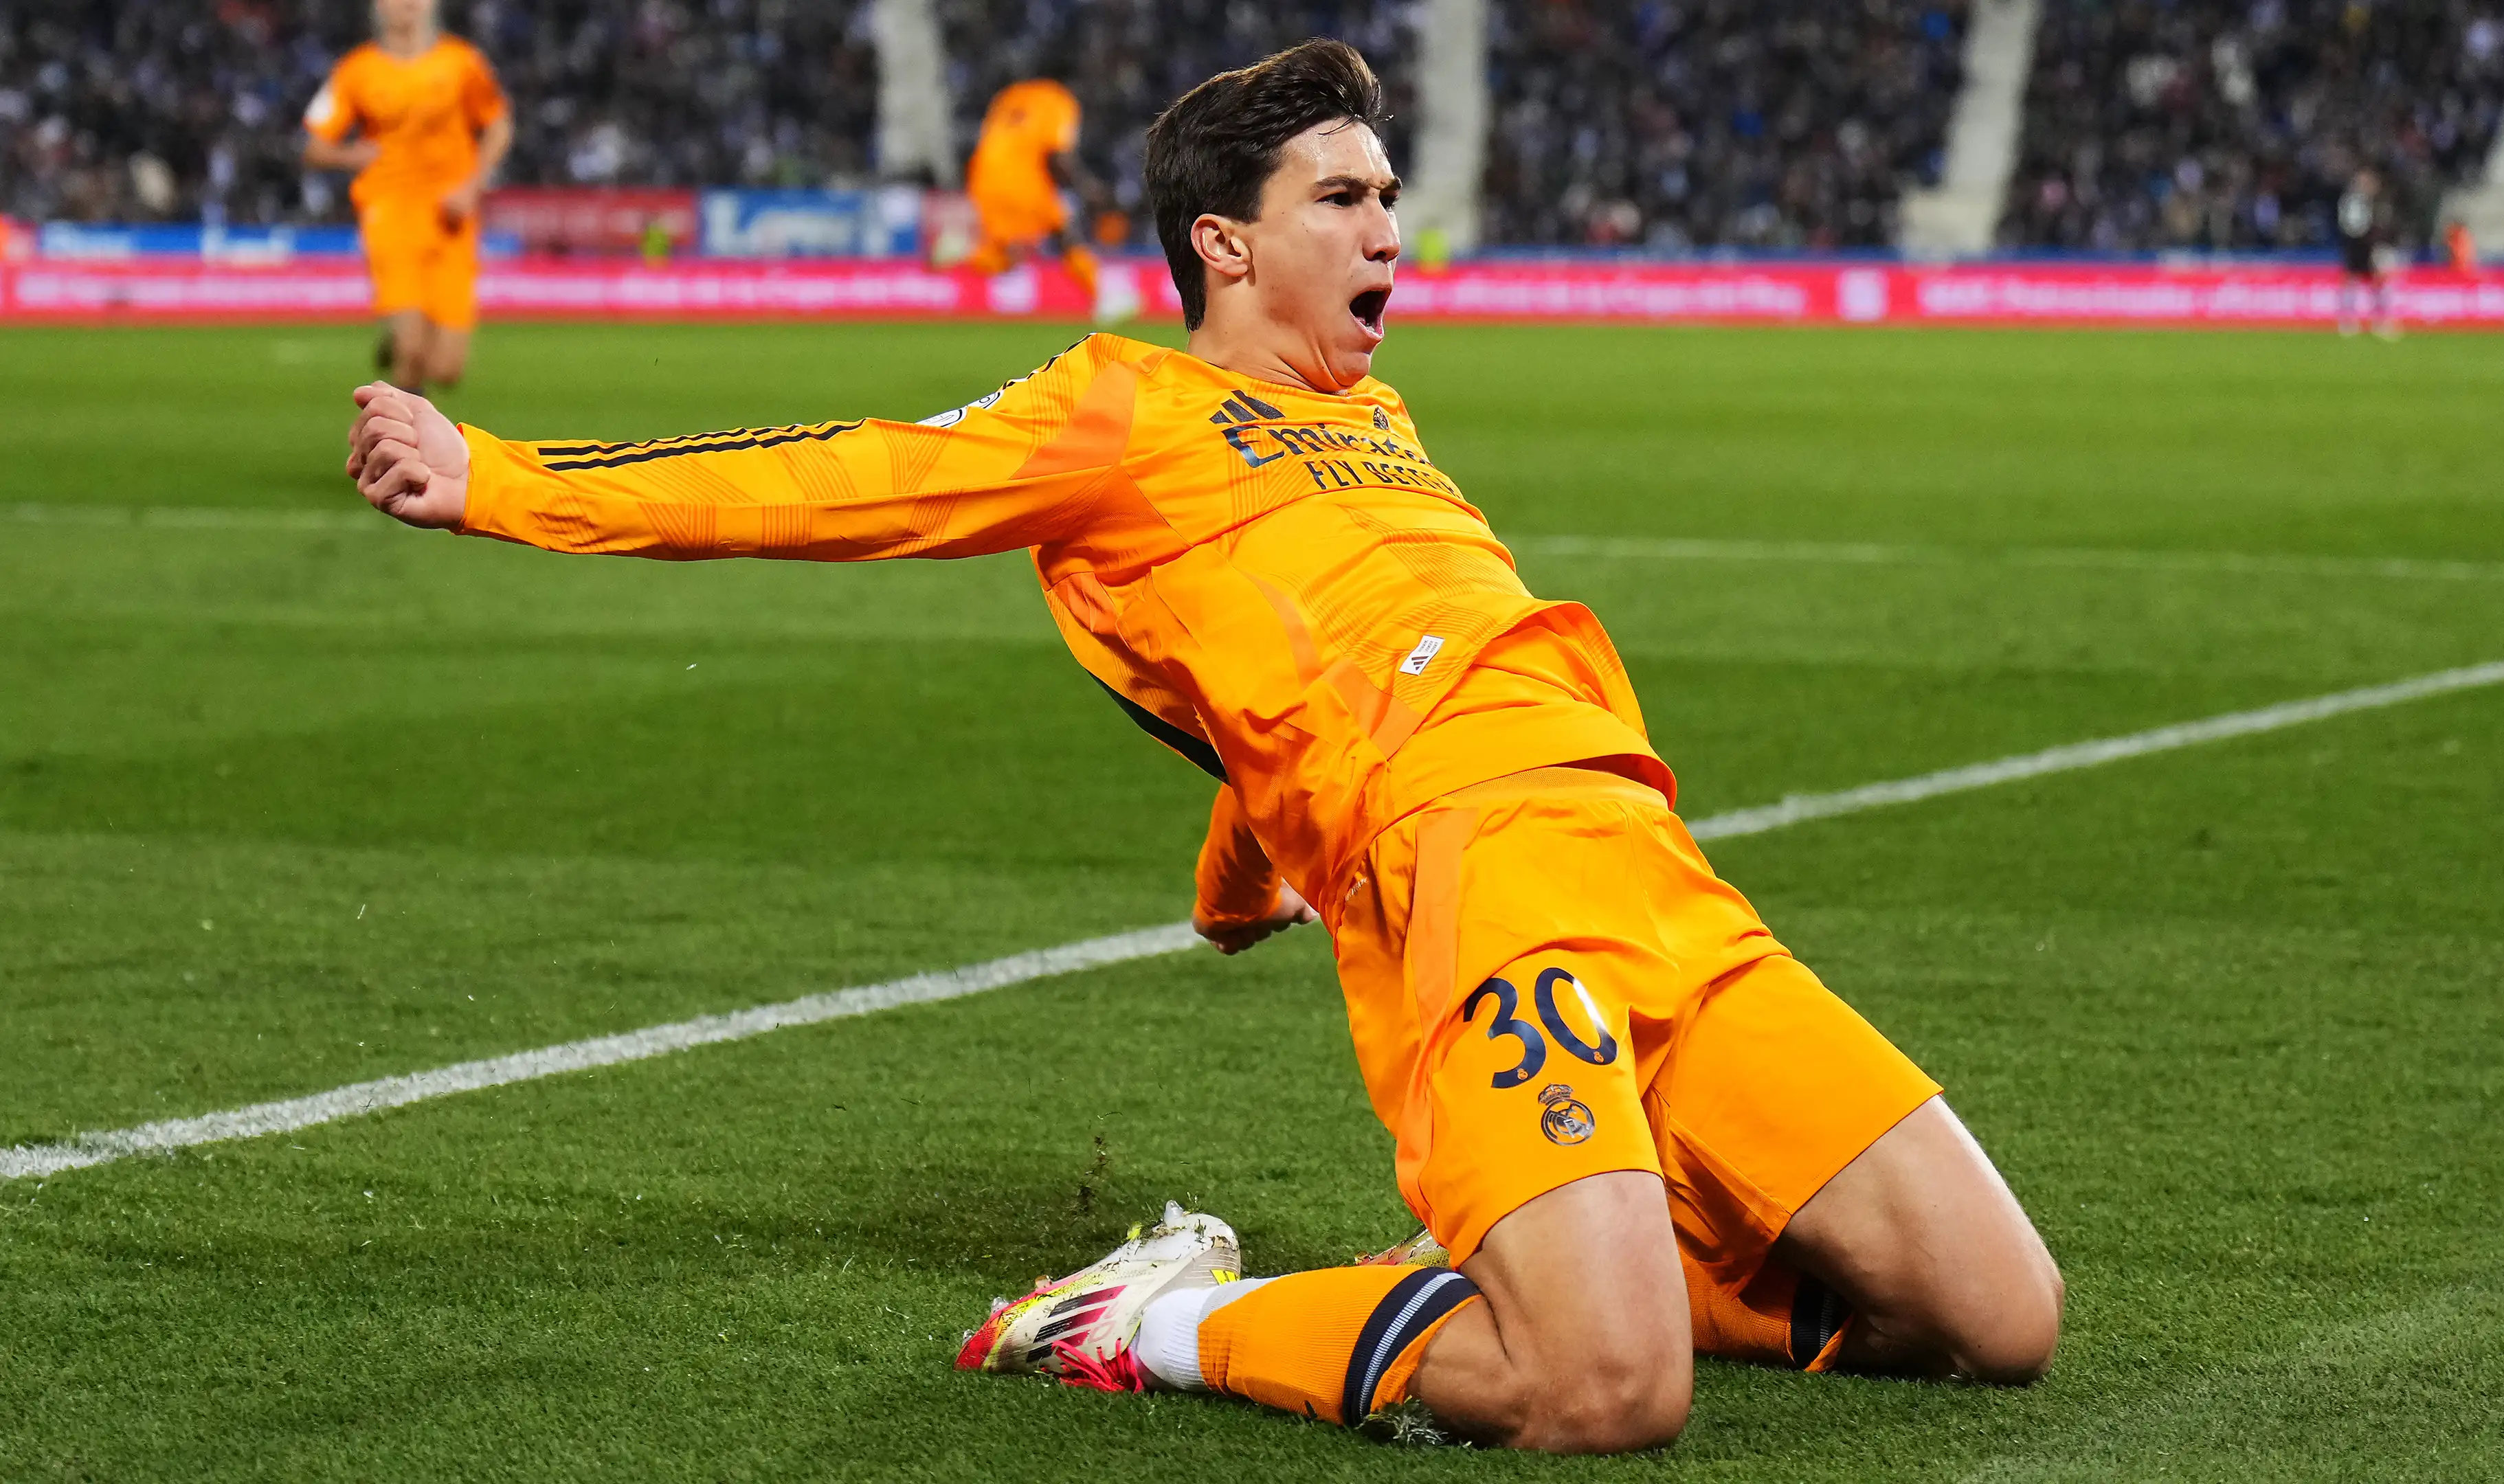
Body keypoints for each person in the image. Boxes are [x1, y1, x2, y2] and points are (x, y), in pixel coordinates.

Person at [339, 41, 2061, 1454]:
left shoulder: (1370, 413)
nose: (1388, 223)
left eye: (1389, 193)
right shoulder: (1117, 410)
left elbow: (1282, 672)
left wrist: (1242, 866)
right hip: (1478, 880)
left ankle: (1521, 1241)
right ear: (1225, 245)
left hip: (1656, 871)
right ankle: (1155, 1317)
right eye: (1343, 197)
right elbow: (838, 469)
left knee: (1993, 1316)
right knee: (1601, 1393)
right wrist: (504, 480)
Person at [302, 0, 511, 394]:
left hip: (451, 217)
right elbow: (314, 148)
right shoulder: (356, 70)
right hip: (389, 212)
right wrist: (351, 155)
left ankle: (396, 335)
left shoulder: (461, 63)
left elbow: (498, 126)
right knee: (412, 354)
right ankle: (399, 449)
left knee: (447, 370)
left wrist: (472, 186)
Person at [959, 74, 1108, 310]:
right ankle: (1102, 299)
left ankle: (961, 256)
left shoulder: (1010, 95)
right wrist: (1086, 186)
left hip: (983, 175)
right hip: (1022, 177)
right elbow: (1058, 154)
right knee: (1064, 231)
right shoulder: (1059, 99)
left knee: (1005, 251)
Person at [2336, 169, 2400, 339]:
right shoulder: (2353, 201)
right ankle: (2349, 319)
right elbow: (2350, 225)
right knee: (2353, 281)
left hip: (2371, 245)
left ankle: (2381, 320)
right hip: (2358, 245)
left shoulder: (2377, 201)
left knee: (2378, 282)